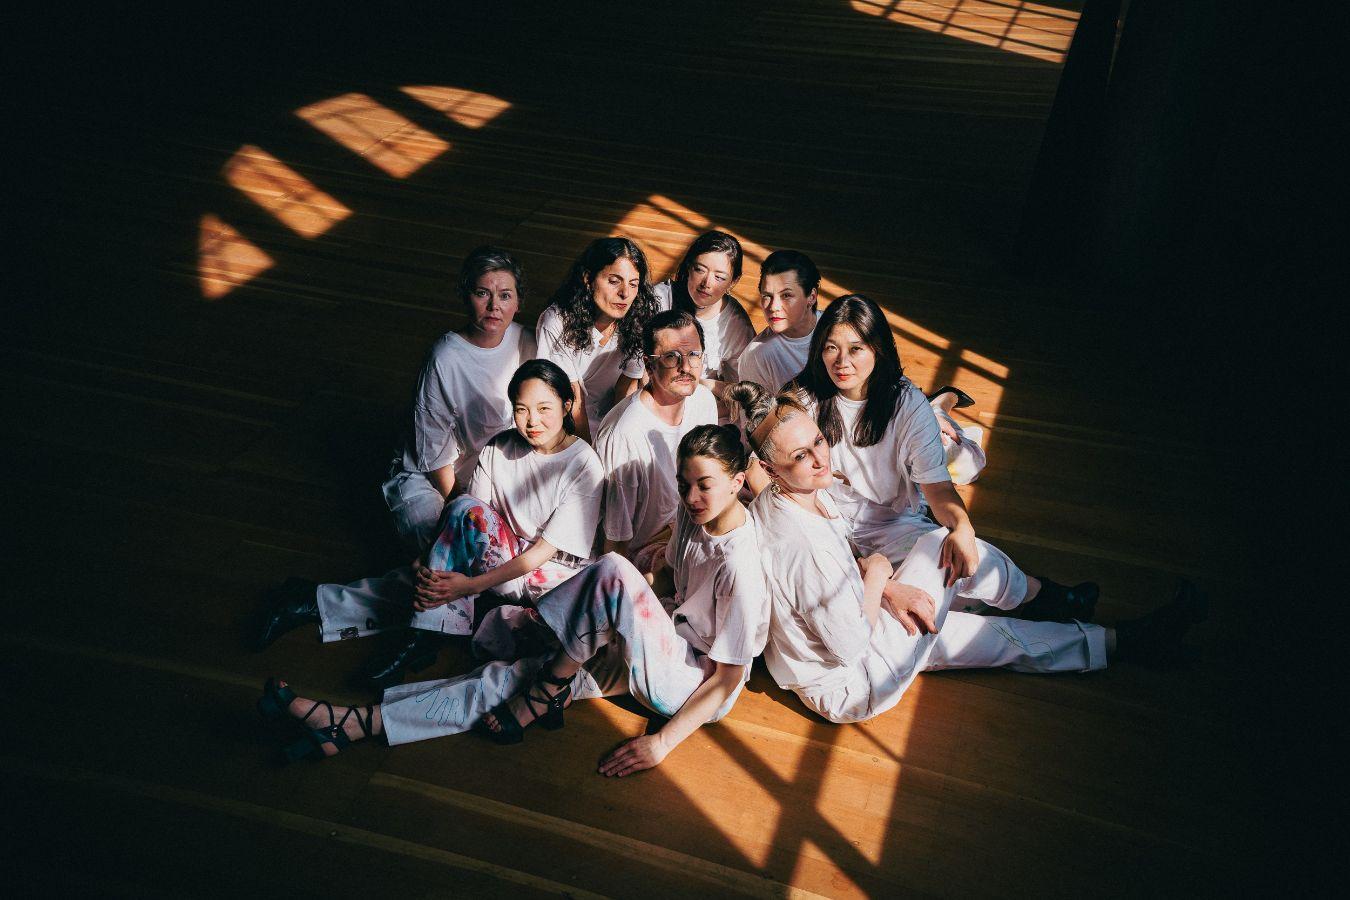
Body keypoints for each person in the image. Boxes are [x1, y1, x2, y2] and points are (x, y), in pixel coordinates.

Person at [259, 424, 770, 775]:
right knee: (507, 680)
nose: (691, 497)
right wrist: (622, 611)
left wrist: (661, 743)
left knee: (610, 571)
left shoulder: (743, 568)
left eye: (704, 486)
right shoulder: (692, 515)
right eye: (685, 485)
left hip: (692, 686)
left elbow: (726, 681)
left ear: (738, 482)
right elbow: (669, 586)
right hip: (657, 645)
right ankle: (353, 725)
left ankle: (552, 682)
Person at [730, 382, 1206, 724]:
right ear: (771, 471)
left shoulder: (788, 493)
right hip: (855, 678)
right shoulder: (797, 542)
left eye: (817, 440)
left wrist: (889, 587)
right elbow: (850, 642)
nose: (820, 457)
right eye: (801, 456)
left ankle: (1126, 643)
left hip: (857, 644)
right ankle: (1045, 597)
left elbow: (837, 576)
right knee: (942, 542)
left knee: (995, 640)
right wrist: (878, 574)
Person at [253, 360, 605, 688]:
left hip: (553, 578)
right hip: (505, 560)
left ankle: (312, 602)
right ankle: (418, 635)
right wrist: (432, 554)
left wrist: (469, 585)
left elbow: (542, 553)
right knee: (445, 555)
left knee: (528, 639)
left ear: (566, 404)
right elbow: (467, 510)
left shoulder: (583, 464)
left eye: (545, 408)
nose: (532, 421)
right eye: (521, 409)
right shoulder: (500, 446)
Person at [787, 294, 1094, 620]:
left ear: (877, 348)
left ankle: (1039, 595)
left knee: (961, 565)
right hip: (825, 531)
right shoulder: (801, 399)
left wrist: (963, 528)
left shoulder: (906, 404)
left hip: (895, 526)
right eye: (830, 347)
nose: (841, 361)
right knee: (941, 611)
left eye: (856, 348)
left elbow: (939, 490)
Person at [382, 246, 537, 552]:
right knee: (454, 549)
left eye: (505, 295)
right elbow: (434, 451)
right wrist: (464, 512)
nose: (494, 305)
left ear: (518, 302)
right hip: (436, 477)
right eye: (483, 293)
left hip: (497, 468)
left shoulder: (527, 342)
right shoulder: (445, 357)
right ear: (466, 296)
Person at [595, 309, 718, 570]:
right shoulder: (625, 433)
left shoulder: (704, 401)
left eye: (693, 355)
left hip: (693, 524)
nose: (686, 367)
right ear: (649, 365)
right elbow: (615, 539)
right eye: (672, 357)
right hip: (645, 552)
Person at [536, 237, 662, 442]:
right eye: (614, 281)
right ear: (588, 278)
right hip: (562, 419)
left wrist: (614, 440)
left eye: (633, 284)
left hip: (607, 417)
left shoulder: (640, 321)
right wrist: (588, 454)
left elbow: (626, 389)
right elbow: (573, 399)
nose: (625, 294)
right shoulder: (557, 321)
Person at [652, 231, 755, 422]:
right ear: (689, 267)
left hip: (701, 406)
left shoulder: (736, 324)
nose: (706, 284)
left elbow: (740, 394)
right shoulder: (659, 300)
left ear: (733, 282)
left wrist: (702, 385)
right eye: (700, 269)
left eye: (720, 277)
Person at [737, 249, 821, 396]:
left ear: (811, 297)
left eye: (786, 295)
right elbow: (754, 416)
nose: (773, 307)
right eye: (767, 296)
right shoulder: (757, 356)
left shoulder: (837, 327)